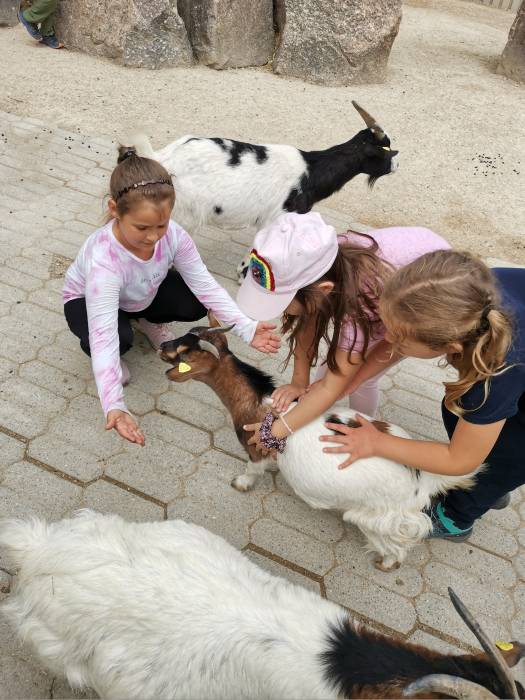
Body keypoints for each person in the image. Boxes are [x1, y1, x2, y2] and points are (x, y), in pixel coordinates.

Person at [63, 146, 280, 446]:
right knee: (117, 339)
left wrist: (247, 327)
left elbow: (205, 283)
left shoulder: (174, 235)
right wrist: (114, 402)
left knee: (194, 301)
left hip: (140, 291)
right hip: (87, 300)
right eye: (142, 227)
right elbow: (103, 336)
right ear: (115, 210)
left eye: (161, 225)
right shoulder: (105, 262)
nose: (153, 236)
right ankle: (120, 349)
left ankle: (146, 319)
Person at [319, 250, 525, 540]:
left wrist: (377, 442)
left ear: (451, 346)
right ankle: (491, 484)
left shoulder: (497, 374)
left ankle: (457, 518)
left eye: (399, 339)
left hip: (512, 375)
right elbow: (396, 343)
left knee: (508, 454)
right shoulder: (470, 295)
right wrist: (356, 380)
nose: (387, 339)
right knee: (463, 416)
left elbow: (459, 461)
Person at [236, 211, 449, 452]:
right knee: (328, 381)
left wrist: (274, 432)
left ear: (324, 290)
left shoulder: (358, 308)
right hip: (408, 261)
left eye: (283, 302)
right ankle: (316, 424)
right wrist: (299, 382)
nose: (280, 311)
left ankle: (359, 428)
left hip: (424, 301)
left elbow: (331, 386)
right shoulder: (315, 260)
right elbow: (307, 320)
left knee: (358, 379)